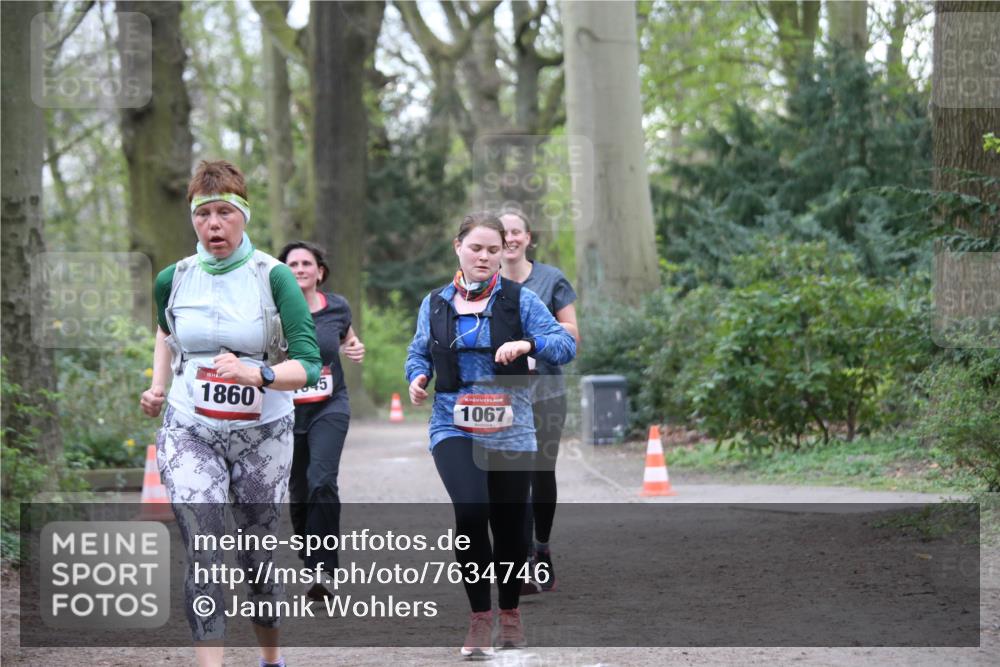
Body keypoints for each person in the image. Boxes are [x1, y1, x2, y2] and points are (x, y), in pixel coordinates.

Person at [140, 160, 321, 667]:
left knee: (257, 555)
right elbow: (166, 331)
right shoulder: (173, 278)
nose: (213, 225)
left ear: (244, 215)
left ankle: (271, 658)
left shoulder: (274, 276)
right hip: (189, 428)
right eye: (203, 215)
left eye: (224, 213)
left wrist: (258, 374)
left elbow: (308, 365)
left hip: (263, 432)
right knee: (203, 548)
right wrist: (158, 386)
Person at [405, 211, 576, 658]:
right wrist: (417, 377)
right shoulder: (435, 302)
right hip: (453, 421)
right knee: (470, 510)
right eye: (476, 248)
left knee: (509, 523)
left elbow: (566, 345)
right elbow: (418, 351)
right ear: (458, 247)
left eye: (493, 250)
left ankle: (510, 612)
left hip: (511, 425)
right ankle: (480, 617)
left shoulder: (520, 300)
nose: (484, 256)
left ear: (503, 254)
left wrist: (529, 344)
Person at [277, 241, 365, 601]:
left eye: (306, 263)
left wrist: (354, 347)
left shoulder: (337, 307)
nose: (300, 269)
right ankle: (310, 554)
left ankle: (323, 569)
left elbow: (348, 339)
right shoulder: (272, 311)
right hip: (285, 411)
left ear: (319, 272)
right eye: (292, 264)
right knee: (299, 491)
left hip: (330, 406)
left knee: (322, 481)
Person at [498, 209, 579, 594]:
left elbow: (572, 334)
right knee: (508, 476)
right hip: (500, 395)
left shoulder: (551, 279)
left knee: (540, 473)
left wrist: (530, 339)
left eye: (517, 232)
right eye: (503, 233)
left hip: (545, 392)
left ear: (528, 237)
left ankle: (540, 546)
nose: (510, 239)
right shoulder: (484, 284)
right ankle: (521, 556)